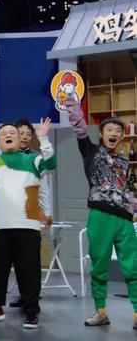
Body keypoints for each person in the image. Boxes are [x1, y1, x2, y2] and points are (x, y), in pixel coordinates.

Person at [0, 116, 55, 329]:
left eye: (12, 133)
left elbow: (51, 163)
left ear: (20, 139)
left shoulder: (33, 160)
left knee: (30, 271)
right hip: (0, 227)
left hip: (28, 226)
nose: (7, 135)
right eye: (3, 134)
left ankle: (32, 311)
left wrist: (44, 139)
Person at [65, 98, 137, 329]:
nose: (114, 133)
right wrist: (71, 104)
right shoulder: (91, 152)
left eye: (118, 131)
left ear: (122, 136)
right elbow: (80, 128)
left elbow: (128, 188)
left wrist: (134, 207)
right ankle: (101, 311)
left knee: (133, 266)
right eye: (109, 130)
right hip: (100, 215)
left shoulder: (124, 161)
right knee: (99, 266)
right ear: (101, 134)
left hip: (125, 219)